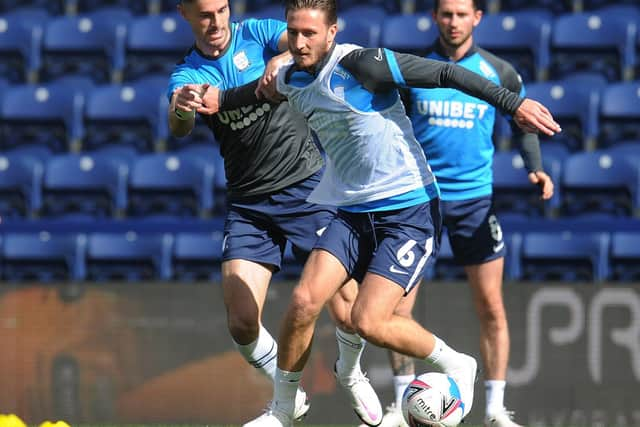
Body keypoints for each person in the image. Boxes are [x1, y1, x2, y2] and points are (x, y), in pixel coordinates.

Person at [206, 0, 561, 425]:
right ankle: (283, 410)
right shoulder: (288, 76)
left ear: (332, 32)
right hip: (352, 211)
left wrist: (512, 105)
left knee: (369, 320)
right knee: (303, 302)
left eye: (310, 34)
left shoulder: (364, 65)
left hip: (408, 210)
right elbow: (254, 93)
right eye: (293, 33)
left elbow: (446, 73)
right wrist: (215, 98)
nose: (299, 43)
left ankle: (457, 364)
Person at [167, 0, 383, 425]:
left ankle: (351, 371)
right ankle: (290, 397)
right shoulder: (188, 73)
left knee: (348, 309)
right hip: (249, 205)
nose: (216, 22)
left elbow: (307, 45)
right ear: (185, 15)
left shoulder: (258, 34)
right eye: (205, 14)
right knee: (242, 322)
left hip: (307, 188)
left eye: (222, 10)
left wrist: (284, 57)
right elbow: (180, 126)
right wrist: (180, 107)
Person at [374, 1, 555, 426]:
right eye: (446, 14)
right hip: (419, 202)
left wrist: (536, 168)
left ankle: (494, 410)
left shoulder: (500, 72)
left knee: (491, 307)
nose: (453, 22)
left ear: (477, 18)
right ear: (435, 17)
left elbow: (521, 120)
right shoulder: (412, 68)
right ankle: (402, 407)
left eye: (461, 14)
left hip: (475, 203)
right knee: (397, 310)